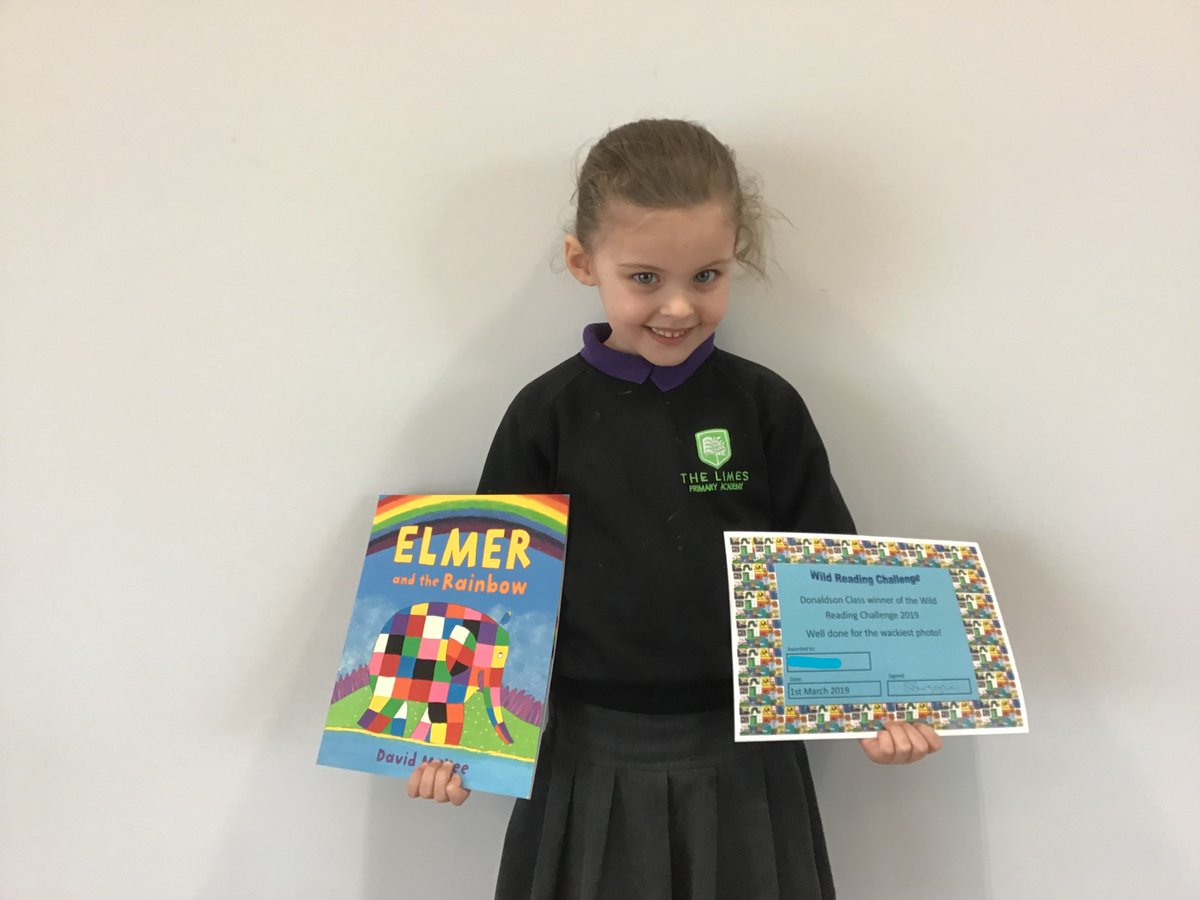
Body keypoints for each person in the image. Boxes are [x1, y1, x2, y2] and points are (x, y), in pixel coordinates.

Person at [408, 118, 942, 899]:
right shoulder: (544, 413)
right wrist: (444, 736)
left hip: (745, 752)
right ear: (582, 262)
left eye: (707, 275)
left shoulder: (765, 407)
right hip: (587, 751)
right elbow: (485, 583)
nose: (680, 308)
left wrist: (877, 706)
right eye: (645, 278)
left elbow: (828, 567)